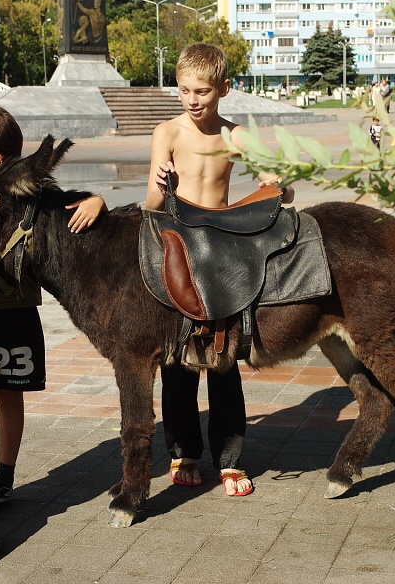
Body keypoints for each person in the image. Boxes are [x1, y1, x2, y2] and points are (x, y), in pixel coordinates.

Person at [146, 43, 293, 497]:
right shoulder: (167, 133)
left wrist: (277, 183)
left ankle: (229, 459)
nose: (193, 100)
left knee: (224, 358)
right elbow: (151, 206)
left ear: (224, 89)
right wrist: (159, 184)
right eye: (185, 90)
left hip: (222, 250)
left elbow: (279, 185)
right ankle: (183, 452)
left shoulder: (234, 135)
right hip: (178, 247)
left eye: (203, 91)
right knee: (177, 359)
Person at [0, 106, 108, 514]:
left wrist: (98, 201)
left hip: (14, 310)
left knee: (9, 395)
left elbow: (67, 203)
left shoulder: (27, 188)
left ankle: (4, 478)